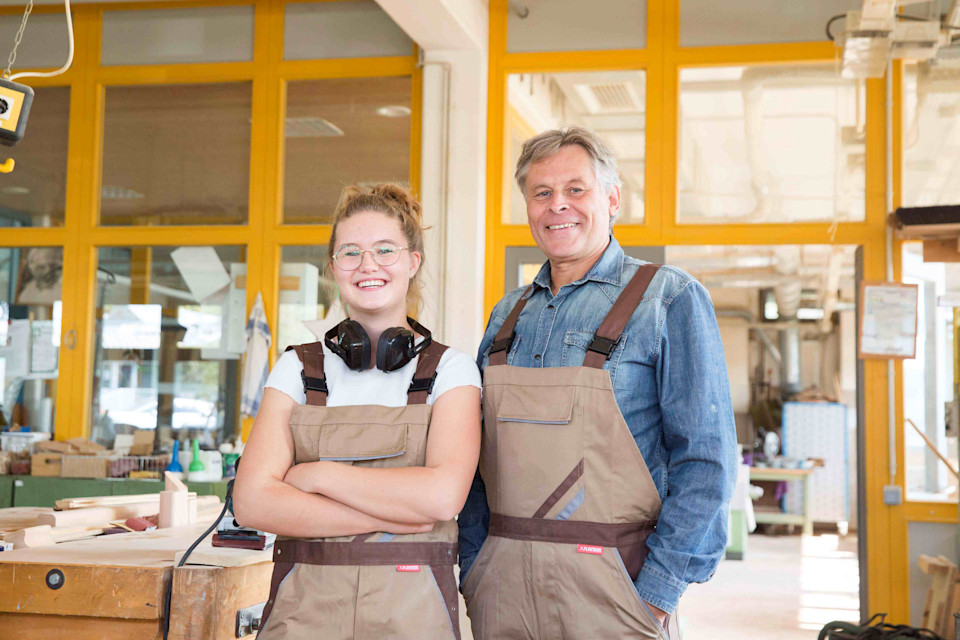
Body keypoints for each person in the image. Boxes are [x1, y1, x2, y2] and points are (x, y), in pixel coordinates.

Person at [458, 127, 738, 640]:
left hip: (618, 594)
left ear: (611, 200)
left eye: (575, 189)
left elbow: (706, 462)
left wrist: (654, 597)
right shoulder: (506, 315)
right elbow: (476, 458)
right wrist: (475, 566)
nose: (557, 205)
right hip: (502, 591)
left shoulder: (668, 299)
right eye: (541, 193)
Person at [234, 184, 481, 640]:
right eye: (350, 252)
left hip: (413, 620)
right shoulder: (297, 367)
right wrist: (393, 517)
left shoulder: (450, 369)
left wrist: (316, 476)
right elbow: (251, 501)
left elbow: (442, 498)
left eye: (385, 250)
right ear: (334, 268)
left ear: (413, 262)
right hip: (301, 619)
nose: (368, 265)